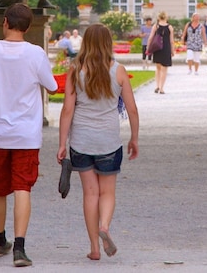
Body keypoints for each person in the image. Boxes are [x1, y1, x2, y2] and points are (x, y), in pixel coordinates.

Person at [0, 3, 59, 267]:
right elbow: (53, 88)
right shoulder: (36, 54)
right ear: (29, 27)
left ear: (5, 22)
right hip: (26, 133)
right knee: (22, 187)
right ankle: (19, 248)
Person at [57, 24, 139, 261]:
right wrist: (134, 138)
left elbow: (67, 110)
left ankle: (94, 247)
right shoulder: (119, 71)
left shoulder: (75, 71)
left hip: (81, 141)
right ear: (108, 43)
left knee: (90, 194)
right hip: (109, 142)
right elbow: (132, 110)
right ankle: (104, 225)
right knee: (108, 192)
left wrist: (62, 143)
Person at [148, 12, 173, 94]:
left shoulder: (156, 26)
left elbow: (151, 37)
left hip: (157, 48)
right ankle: (162, 88)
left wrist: (148, 48)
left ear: (158, 17)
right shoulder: (170, 27)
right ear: (166, 17)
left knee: (158, 68)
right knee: (164, 69)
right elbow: (171, 41)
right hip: (166, 48)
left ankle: (157, 86)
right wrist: (172, 51)